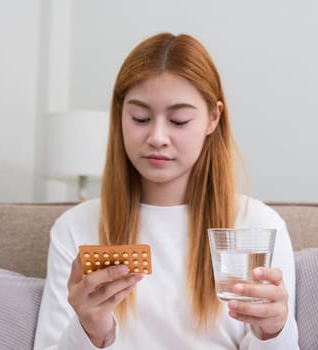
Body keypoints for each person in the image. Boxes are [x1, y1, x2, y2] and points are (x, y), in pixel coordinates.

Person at [34, 32, 298, 349]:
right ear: (119, 115)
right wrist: (91, 332)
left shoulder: (258, 226)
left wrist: (273, 331)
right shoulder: (75, 229)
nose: (158, 136)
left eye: (179, 120)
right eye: (140, 117)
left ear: (213, 118)